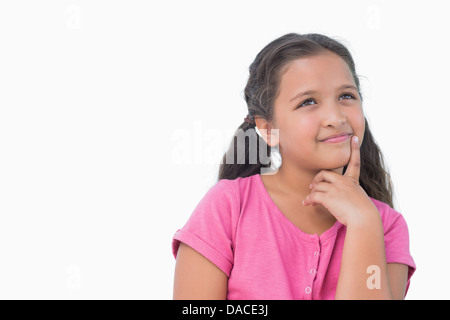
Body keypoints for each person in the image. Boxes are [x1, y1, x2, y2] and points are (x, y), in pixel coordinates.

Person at [172, 33, 416, 300]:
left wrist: (363, 223)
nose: (336, 117)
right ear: (268, 129)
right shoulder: (228, 207)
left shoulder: (385, 225)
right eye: (308, 102)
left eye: (346, 95)